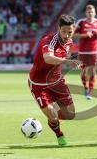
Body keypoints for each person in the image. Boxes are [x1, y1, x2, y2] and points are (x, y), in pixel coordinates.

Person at [28, 14, 82, 146]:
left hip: (57, 82)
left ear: (73, 30)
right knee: (53, 116)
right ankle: (59, 134)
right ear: (58, 29)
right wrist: (67, 61)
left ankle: (53, 116)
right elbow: (48, 58)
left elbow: (59, 62)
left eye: (70, 32)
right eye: (63, 31)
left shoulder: (69, 43)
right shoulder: (49, 40)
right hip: (38, 84)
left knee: (70, 114)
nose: (67, 35)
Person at [73, 4, 97, 100]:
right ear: (86, 13)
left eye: (92, 12)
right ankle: (85, 88)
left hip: (94, 51)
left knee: (93, 71)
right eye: (88, 12)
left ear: (94, 13)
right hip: (83, 51)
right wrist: (85, 35)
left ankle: (90, 92)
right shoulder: (81, 22)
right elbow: (73, 35)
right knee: (83, 71)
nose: (90, 13)